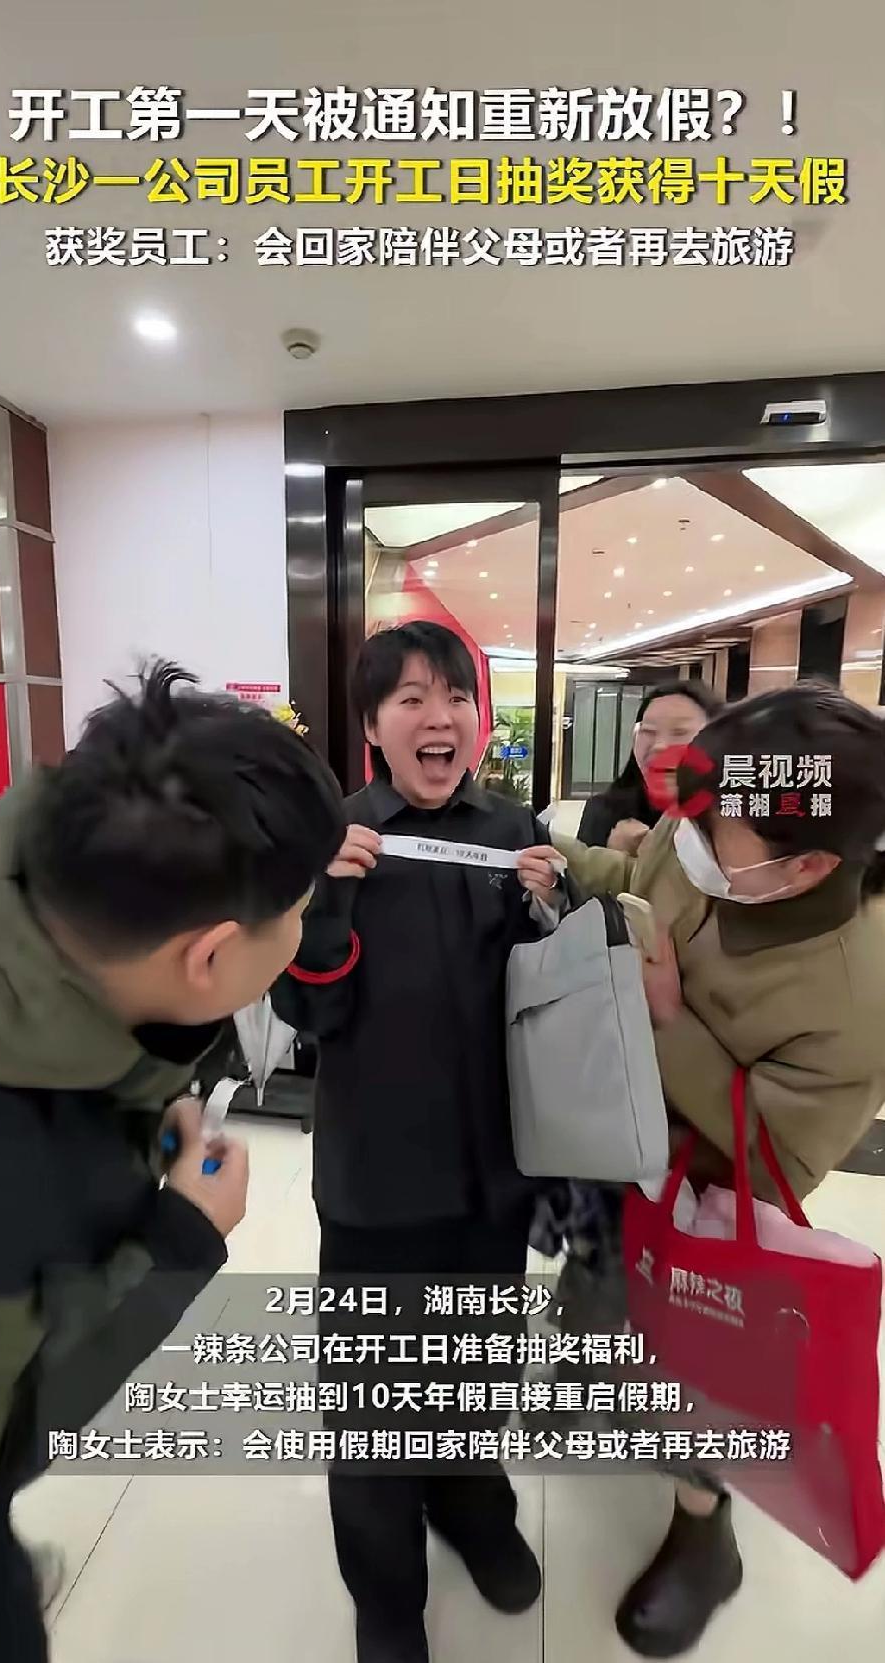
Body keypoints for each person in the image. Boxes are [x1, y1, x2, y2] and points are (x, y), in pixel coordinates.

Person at [0, 661, 345, 1663]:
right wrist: (182, 1236)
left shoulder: (8, 878)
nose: (303, 929)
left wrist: (146, 1093)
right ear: (209, 956)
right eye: (296, 912)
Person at [550, 680, 885, 1657]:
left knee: (692, 1371)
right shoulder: (708, 819)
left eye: (710, 831)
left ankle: (705, 1530)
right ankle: (588, 1356)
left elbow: (778, 1157)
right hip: (610, 1135)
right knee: (594, 1285)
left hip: (703, 1200)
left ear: (807, 864)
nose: (683, 836)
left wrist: (667, 1019)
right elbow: (640, 881)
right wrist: (561, 861)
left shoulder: (854, 991)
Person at [272, 620, 562, 1663]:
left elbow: (546, 992)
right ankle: (386, 1592)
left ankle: (471, 1504)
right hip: (377, 1180)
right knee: (374, 1399)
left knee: (478, 1364)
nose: (438, 717)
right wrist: (328, 896)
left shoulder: (512, 829)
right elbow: (307, 1015)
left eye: (455, 696)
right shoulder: (335, 837)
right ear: (372, 727)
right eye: (410, 698)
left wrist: (549, 908)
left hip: (493, 1174)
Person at [576, 681, 722, 854]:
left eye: (680, 732)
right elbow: (579, 870)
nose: (659, 746)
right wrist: (612, 855)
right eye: (648, 731)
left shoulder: (734, 816)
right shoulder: (604, 811)